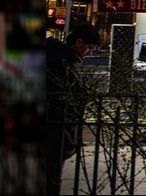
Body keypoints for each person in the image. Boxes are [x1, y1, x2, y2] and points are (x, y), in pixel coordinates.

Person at [46, 24, 101, 195]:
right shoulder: (61, 64)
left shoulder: (59, 60)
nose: (89, 52)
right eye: (89, 47)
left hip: (58, 128)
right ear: (79, 43)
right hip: (56, 128)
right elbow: (64, 98)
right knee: (51, 175)